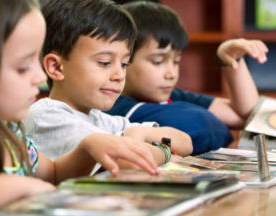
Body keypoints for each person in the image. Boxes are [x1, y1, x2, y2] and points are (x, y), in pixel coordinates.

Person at [0, 0, 163, 208]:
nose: (39, 75)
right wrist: (24, 187)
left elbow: (54, 173)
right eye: (23, 67)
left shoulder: (12, 134)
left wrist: (87, 148)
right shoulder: (44, 116)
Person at [23, 0, 193, 169]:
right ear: (56, 67)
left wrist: (143, 134)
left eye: (124, 64)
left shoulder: (98, 118)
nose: (119, 75)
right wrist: (165, 152)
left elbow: (185, 142)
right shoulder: (48, 118)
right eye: (104, 62)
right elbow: (128, 162)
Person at [106, 1, 269, 155]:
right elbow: (196, 124)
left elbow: (249, 115)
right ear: (124, 60)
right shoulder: (114, 107)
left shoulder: (173, 96)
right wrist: (216, 126)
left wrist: (231, 60)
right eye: (158, 61)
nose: (171, 73)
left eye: (176, 61)